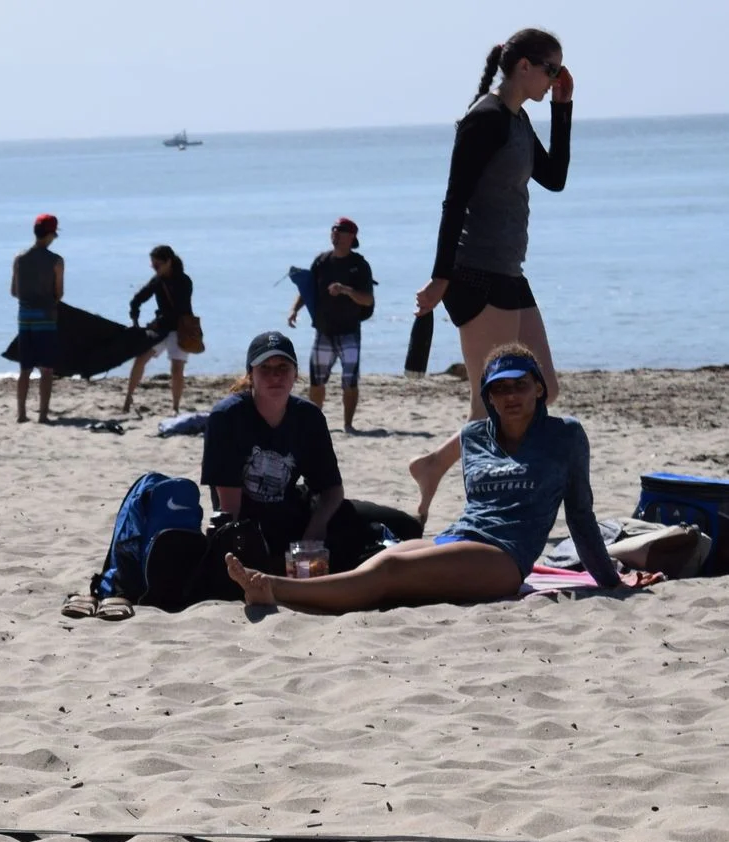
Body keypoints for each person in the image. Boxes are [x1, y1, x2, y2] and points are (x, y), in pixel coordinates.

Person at [230, 344, 624, 611]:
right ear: (488, 396)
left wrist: (610, 581)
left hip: (505, 556)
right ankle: (293, 593)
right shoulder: (473, 437)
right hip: (456, 538)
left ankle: (274, 588)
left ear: (539, 387)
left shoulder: (565, 436)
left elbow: (580, 517)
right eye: (499, 389)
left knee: (390, 573)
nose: (511, 396)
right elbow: (478, 510)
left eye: (520, 385)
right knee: (384, 559)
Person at [409, 27, 573, 525]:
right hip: (474, 274)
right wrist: (440, 277)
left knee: (543, 386)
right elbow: (453, 199)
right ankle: (479, 512)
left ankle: (435, 463)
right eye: (551, 69)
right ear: (523, 65)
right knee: (491, 402)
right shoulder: (483, 119)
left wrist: (562, 109)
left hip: (508, 273)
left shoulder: (517, 118)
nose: (555, 78)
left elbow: (556, 178)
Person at [202, 332, 345, 558]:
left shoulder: (309, 416)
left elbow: (332, 489)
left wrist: (313, 534)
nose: (275, 376)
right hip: (245, 528)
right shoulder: (227, 417)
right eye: (265, 368)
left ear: (295, 373)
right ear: (250, 374)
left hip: (294, 519)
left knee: (390, 524)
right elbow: (229, 508)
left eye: (282, 367)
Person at [289, 217, 376, 431]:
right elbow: (307, 290)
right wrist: (294, 310)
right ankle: (315, 423)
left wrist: (346, 290)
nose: (336, 233)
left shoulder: (359, 265)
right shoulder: (321, 261)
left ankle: (348, 425)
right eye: (334, 229)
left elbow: (368, 299)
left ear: (352, 237)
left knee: (350, 381)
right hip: (324, 331)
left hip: (349, 331)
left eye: (342, 230)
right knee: (317, 381)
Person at [121, 244, 197, 416]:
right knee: (140, 359)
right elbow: (138, 298)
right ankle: (128, 399)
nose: (154, 268)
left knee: (177, 369)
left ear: (168, 262)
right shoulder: (157, 280)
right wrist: (135, 317)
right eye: (152, 265)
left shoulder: (184, 281)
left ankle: (175, 407)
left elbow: (179, 310)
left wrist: (158, 322)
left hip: (181, 329)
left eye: (157, 265)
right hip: (161, 330)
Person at [10, 214, 63, 424]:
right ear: (50, 234)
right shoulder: (56, 261)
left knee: (24, 369)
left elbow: (14, 291)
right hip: (46, 319)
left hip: (24, 318)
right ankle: (42, 414)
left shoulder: (19, 259)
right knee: (47, 369)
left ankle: (21, 414)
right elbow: (58, 294)